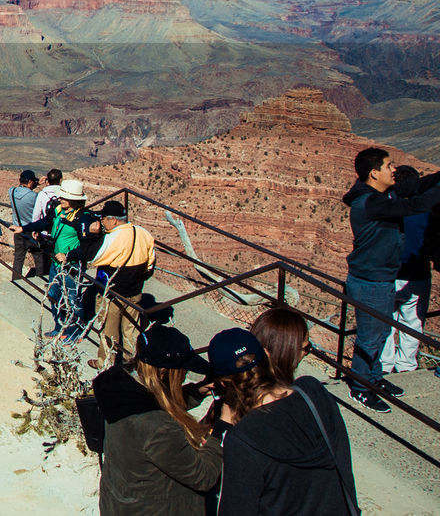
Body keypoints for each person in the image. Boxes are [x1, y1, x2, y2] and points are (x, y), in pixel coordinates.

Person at [210, 327, 359, 516]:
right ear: (267, 356)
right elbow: (343, 464)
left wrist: (222, 426)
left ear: (223, 383)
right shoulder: (313, 393)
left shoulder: (243, 439)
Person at [342, 147, 440, 412]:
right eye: (388, 166)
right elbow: (414, 204)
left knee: (382, 332)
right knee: (370, 338)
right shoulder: (371, 202)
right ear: (374, 173)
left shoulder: (377, 196)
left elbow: (416, 187)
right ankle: (361, 388)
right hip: (370, 280)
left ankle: (374, 379)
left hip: (383, 278)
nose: (393, 169)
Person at [92, 324, 223, 516]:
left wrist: (197, 391)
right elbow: (203, 476)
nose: (185, 374)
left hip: (118, 503)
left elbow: (154, 402)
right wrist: (221, 427)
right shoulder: (158, 428)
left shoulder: (121, 388)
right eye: (182, 370)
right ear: (163, 372)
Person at [14, 179, 99, 341]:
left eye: (64, 198)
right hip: (55, 262)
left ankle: (75, 332)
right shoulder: (59, 210)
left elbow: (87, 247)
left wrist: (69, 256)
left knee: (73, 299)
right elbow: (45, 222)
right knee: (54, 294)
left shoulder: (83, 218)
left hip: (72, 266)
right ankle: (59, 327)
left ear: (75, 200)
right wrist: (24, 228)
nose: (60, 199)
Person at [87, 201, 156, 370]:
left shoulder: (113, 237)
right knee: (131, 330)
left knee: (109, 331)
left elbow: (93, 257)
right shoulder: (144, 233)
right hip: (135, 292)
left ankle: (106, 364)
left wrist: (92, 236)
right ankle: (130, 363)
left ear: (114, 220)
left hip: (113, 293)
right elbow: (150, 265)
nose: (102, 222)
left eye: (104, 218)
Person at [382, 165, 433, 375]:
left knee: (386, 323)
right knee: (412, 324)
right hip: (417, 275)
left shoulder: (387, 207)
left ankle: (384, 367)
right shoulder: (426, 209)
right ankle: (406, 367)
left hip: (389, 274)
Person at [249, 306, 310, 386]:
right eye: (306, 348)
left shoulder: (237, 375)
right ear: (286, 351)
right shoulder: (286, 396)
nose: (306, 353)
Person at [8, 170, 47, 279]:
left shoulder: (11, 191)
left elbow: (24, 189)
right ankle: (40, 279)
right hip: (32, 231)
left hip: (18, 231)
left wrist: (35, 183)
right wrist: (38, 184)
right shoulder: (34, 196)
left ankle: (16, 280)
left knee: (18, 258)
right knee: (38, 257)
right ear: (30, 181)